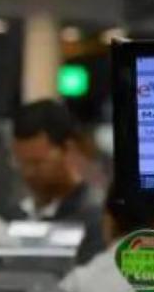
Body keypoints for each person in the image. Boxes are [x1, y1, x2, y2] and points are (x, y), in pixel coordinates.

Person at [11, 100, 105, 264]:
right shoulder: (17, 213)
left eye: (38, 163)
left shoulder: (95, 217)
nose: (28, 173)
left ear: (67, 150)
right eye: (22, 163)